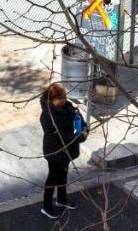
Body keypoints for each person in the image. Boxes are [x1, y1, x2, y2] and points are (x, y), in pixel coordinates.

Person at [38, 82, 85, 218]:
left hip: (66, 150)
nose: (64, 100)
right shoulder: (47, 116)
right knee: (52, 179)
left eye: (64, 97)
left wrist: (83, 127)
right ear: (51, 100)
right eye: (60, 98)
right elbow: (60, 136)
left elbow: (77, 116)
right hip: (55, 150)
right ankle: (46, 207)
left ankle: (61, 199)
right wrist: (80, 137)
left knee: (63, 175)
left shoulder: (68, 106)